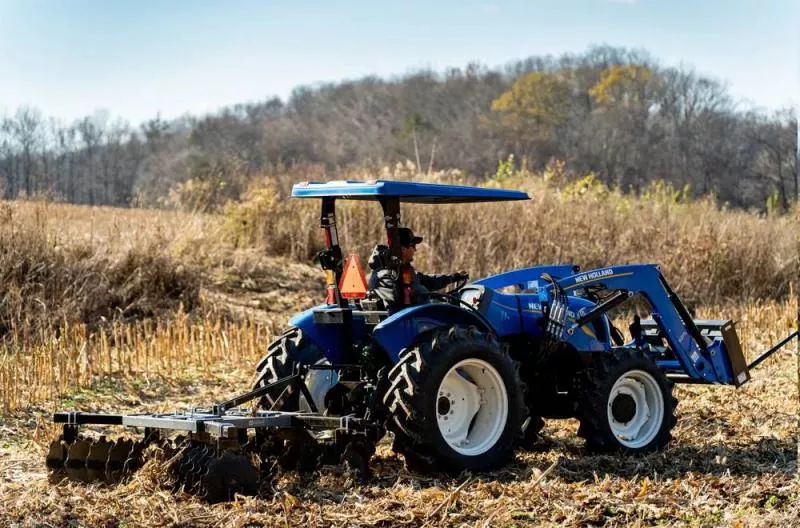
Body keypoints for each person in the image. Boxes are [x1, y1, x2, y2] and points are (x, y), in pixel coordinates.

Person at [367, 227, 468, 309]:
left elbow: (426, 281)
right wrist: (433, 298)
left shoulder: (404, 271)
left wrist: (452, 277)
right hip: (407, 324)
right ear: (403, 249)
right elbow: (406, 297)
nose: (415, 249)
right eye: (413, 245)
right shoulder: (385, 275)